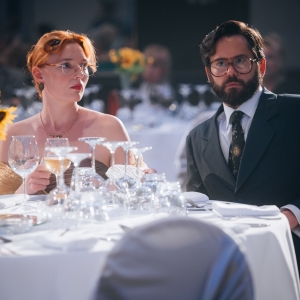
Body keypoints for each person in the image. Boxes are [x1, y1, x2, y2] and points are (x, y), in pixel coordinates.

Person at [186, 20, 300, 272]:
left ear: (260, 65)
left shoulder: (295, 112)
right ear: (209, 72)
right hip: (225, 268)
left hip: (291, 256)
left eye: (240, 61)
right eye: (220, 63)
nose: (230, 71)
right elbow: (195, 203)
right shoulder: (197, 137)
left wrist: (291, 216)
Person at [0, 30, 152, 195]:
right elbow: (4, 208)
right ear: (38, 74)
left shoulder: (109, 128)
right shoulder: (14, 135)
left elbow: (130, 197)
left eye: (84, 66)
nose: (80, 74)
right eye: (66, 65)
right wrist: (23, 190)